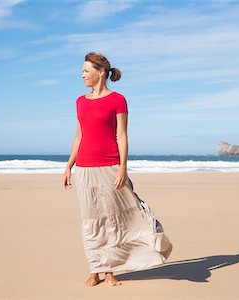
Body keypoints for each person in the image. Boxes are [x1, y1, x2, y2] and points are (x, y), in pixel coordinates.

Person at [63, 52, 173, 287]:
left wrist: (122, 168)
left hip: (110, 166)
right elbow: (79, 135)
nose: (81, 74)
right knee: (90, 220)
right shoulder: (80, 101)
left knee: (113, 220)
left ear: (100, 72)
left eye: (85, 70)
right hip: (84, 167)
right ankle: (95, 268)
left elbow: (121, 136)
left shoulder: (118, 100)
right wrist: (69, 165)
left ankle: (111, 269)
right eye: (82, 71)